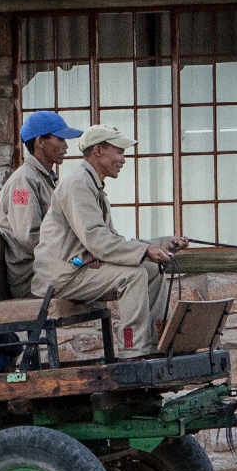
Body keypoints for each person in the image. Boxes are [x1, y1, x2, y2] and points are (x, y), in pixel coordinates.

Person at [36, 123, 186, 356]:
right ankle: (133, 350)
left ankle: (155, 343)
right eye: (119, 151)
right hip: (63, 276)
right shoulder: (78, 184)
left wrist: (159, 243)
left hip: (78, 269)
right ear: (98, 151)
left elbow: (111, 239)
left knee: (152, 269)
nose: (123, 159)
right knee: (133, 276)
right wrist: (145, 251)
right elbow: (98, 240)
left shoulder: (91, 184)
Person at [0, 111, 79, 298]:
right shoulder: (23, 181)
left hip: (47, 268)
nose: (66, 146)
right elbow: (28, 237)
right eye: (60, 139)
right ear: (40, 141)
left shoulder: (44, 178)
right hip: (32, 277)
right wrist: (70, 255)